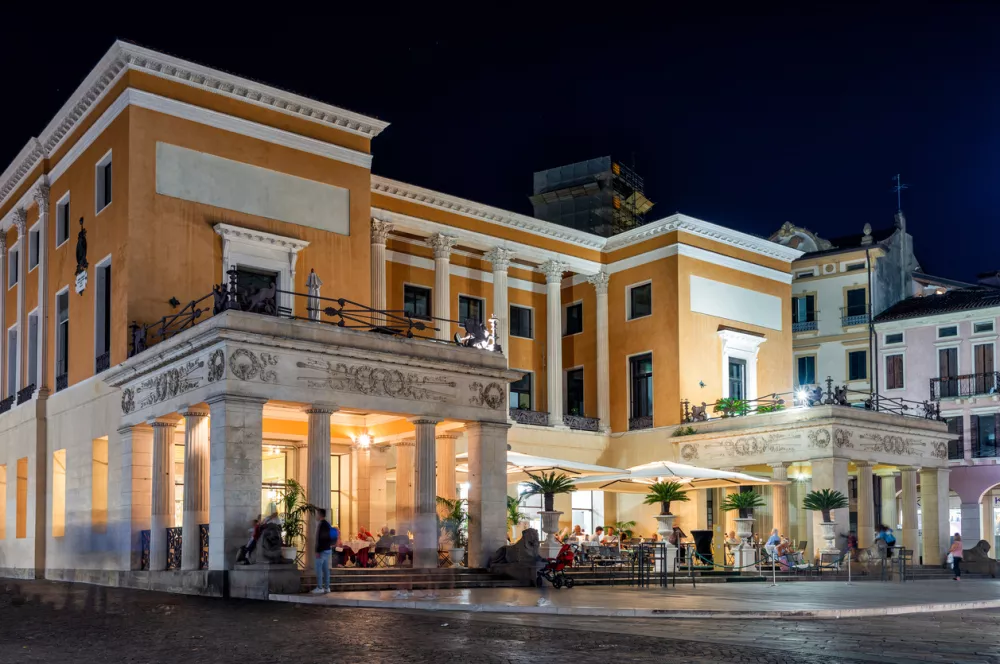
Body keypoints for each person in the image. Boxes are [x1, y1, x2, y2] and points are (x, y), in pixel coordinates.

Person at [311, 508, 333, 594]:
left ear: (320, 515)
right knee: (325, 569)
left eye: (317, 514)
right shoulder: (328, 524)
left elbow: (320, 538)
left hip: (322, 550)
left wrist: (317, 550)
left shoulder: (322, 525)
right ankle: (327, 587)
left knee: (319, 569)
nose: (316, 516)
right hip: (327, 549)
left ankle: (320, 587)